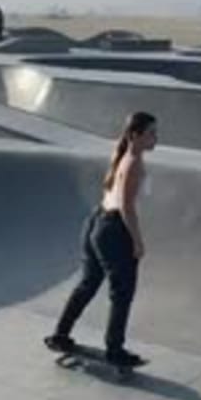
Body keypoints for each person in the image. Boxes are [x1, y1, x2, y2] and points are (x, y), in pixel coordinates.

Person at [45, 111, 158, 368]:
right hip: (114, 229)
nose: (155, 138)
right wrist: (138, 242)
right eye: (151, 133)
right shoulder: (134, 164)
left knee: (88, 284)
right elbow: (127, 208)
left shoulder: (121, 156)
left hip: (96, 221)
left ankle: (60, 335)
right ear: (135, 135)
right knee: (122, 293)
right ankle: (115, 350)